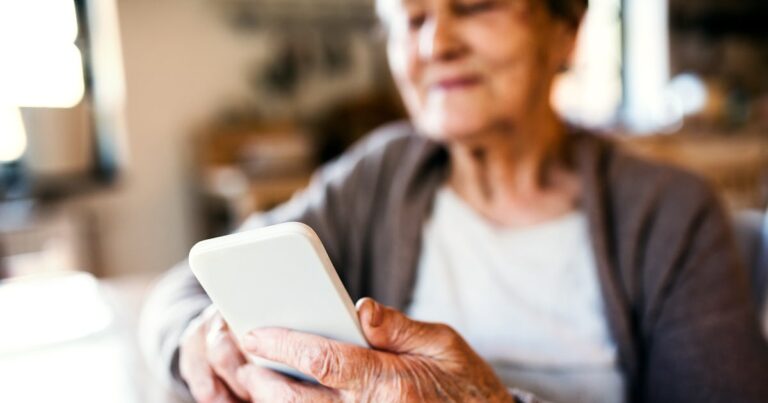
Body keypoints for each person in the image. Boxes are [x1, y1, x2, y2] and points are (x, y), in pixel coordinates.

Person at [140, 0, 768, 401]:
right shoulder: (383, 172)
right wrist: (198, 341)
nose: (435, 44)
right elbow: (181, 289)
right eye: (411, 19)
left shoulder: (672, 214)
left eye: (474, 5)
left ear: (565, 31)